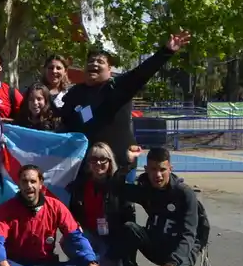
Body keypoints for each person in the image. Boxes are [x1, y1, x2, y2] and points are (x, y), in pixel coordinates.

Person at [60, 32, 193, 172]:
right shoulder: (75, 93)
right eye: (91, 61)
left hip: (121, 164)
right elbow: (65, 122)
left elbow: (142, 73)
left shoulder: (118, 87)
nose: (94, 63)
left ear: (109, 69)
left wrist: (166, 51)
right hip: (86, 165)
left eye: (100, 61)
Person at [0, 165, 101, 266]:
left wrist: (92, 262)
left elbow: (76, 237)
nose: (29, 186)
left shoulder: (56, 206)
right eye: (24, 181)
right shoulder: (6, 209)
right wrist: (2, 263)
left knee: (84, 264)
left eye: (33, 181)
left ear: (41, 184)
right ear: (19, 184)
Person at [116, 147, 209, 266]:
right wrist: (127, 165)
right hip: (157, 242)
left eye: (162, 169)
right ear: (146, 169)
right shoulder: (146, 188)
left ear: (170, 169)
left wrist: (172, 263)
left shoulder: (184, 194)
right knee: (129, 229)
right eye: (153, 169)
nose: (157, 175)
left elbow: (189, 234)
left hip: (181, 249)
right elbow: (117, 188)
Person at [68, 142, 133, 266]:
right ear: (88, 163)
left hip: (111, 240)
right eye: (93, 159)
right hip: (89, 236)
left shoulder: (119, 186)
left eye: (103, 159)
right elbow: (71, 215)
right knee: (68, 241)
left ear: (110, 162)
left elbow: (127, 224)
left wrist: (114, 251)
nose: (98, 163)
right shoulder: (79, 186)